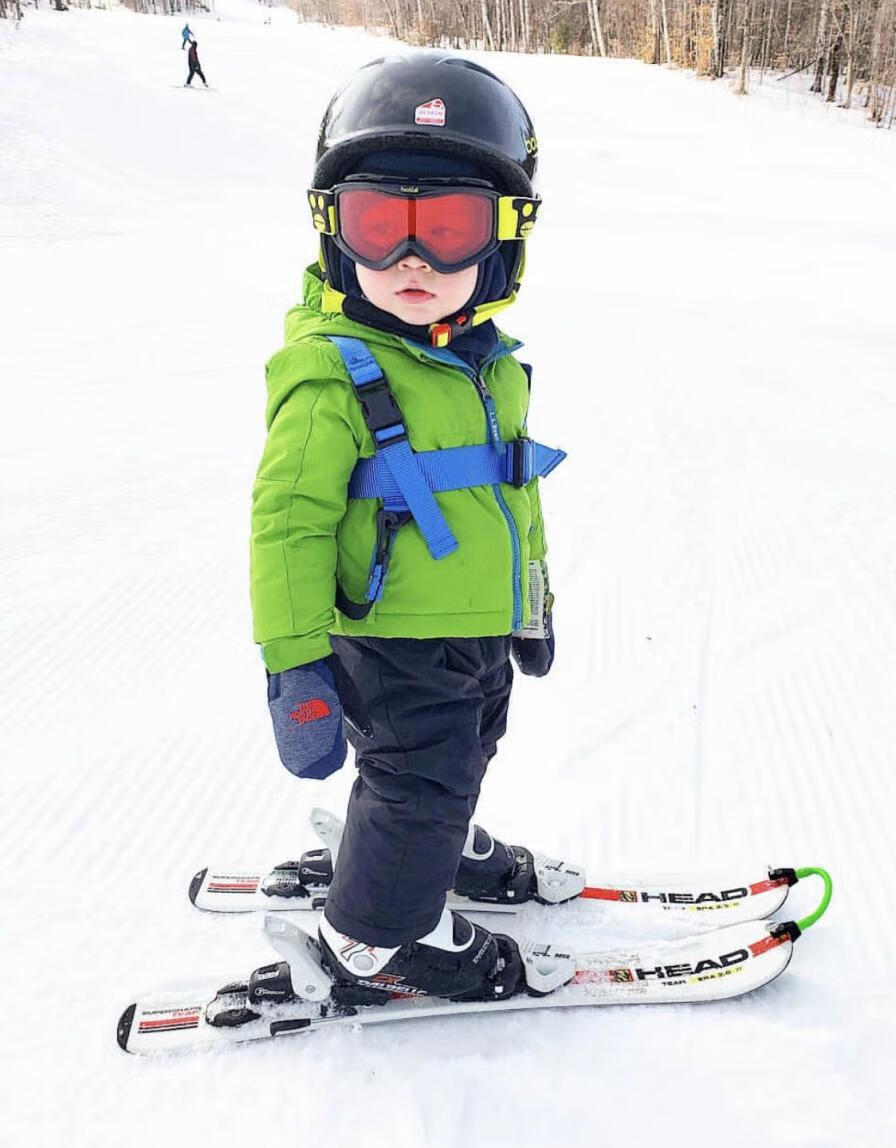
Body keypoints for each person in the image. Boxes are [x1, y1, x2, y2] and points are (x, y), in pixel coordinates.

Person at [251, 52, 574, 1003]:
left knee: (467, 748)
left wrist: (533, 601)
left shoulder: (487, 361)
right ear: (334, 233)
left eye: (448, 228)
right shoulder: (329, 372)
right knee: (419, 773)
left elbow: (514, 496)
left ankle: (426, 847)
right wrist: (296, 660)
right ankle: (375, 937)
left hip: (468, 631)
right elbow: (287, 523)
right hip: (389, 638)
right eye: (379, 226)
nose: (412, 261)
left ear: (505, 237)